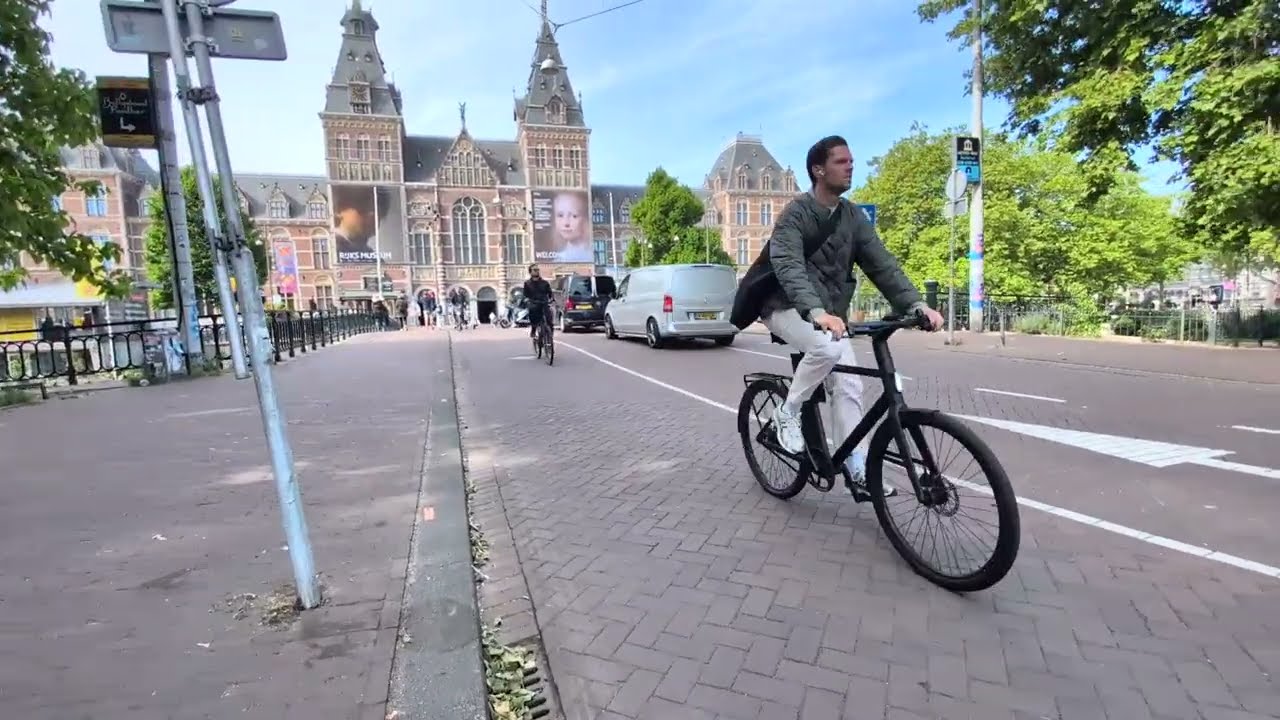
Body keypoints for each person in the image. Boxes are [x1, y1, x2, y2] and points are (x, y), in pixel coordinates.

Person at [732, 135, 944, 500]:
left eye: (851, 161)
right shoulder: (794, 215)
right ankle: (788, 412)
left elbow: (882, 264)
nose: (850, 167)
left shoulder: (852, 216)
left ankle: (857, 469)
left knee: (849, 386)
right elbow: (788, 266)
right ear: (819, 169)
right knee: (825, 350)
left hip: (830, 316)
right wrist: (815, 312)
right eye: (841, 162)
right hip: (783, 306)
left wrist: (915, 305)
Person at [550, 192, 593, 262]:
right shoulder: (559, 259)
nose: (566, 223)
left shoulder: (590, 256)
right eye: (560, 215)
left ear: (585, 219)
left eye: (574, 216)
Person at [521, 264, 555, 339]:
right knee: (533, 314)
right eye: (535, 270)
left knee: (549, 319)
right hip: (534, 304)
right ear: (530, 272)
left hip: (544, 303)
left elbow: (550, 293)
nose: (537, 271)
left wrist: (551, 299)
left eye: (538, 270)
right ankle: (533, 330)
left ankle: (550, 337)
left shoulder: (545, 283)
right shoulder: (527, 283)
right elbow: (525, 295)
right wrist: (526, 300)